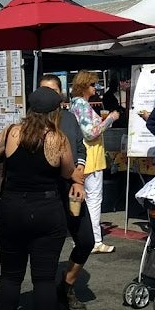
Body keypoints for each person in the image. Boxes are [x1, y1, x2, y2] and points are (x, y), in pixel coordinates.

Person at [0, 86, 75, 310]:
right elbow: (68, 172)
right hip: (47, 210)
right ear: (53, 112)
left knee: (10, 275)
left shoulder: (13, 132)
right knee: (44, 280)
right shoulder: (58, 139)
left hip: (13, 208)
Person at [40, 74, 89, 310]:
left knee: (86, 239)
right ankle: (55, 307)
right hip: (47, 194)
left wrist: (79, 169)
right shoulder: (33, 124)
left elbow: (81, 148)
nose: (48, 96)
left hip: (73, 189)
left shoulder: (69, 118)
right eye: (43, 91)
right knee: (50, 248)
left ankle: (66, 286)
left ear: (61, 94)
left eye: (53, 91)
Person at [68, 70, 119, 254]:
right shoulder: (82, 105)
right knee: (93, 200)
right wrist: (109, 120)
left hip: (82, 157)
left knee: (81, 201)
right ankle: (95, 240)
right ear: (84, 86)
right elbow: (90, 133)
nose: (95, 88)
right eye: (92, 85)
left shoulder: (75, 105)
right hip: (91, 158)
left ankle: (81, 237)